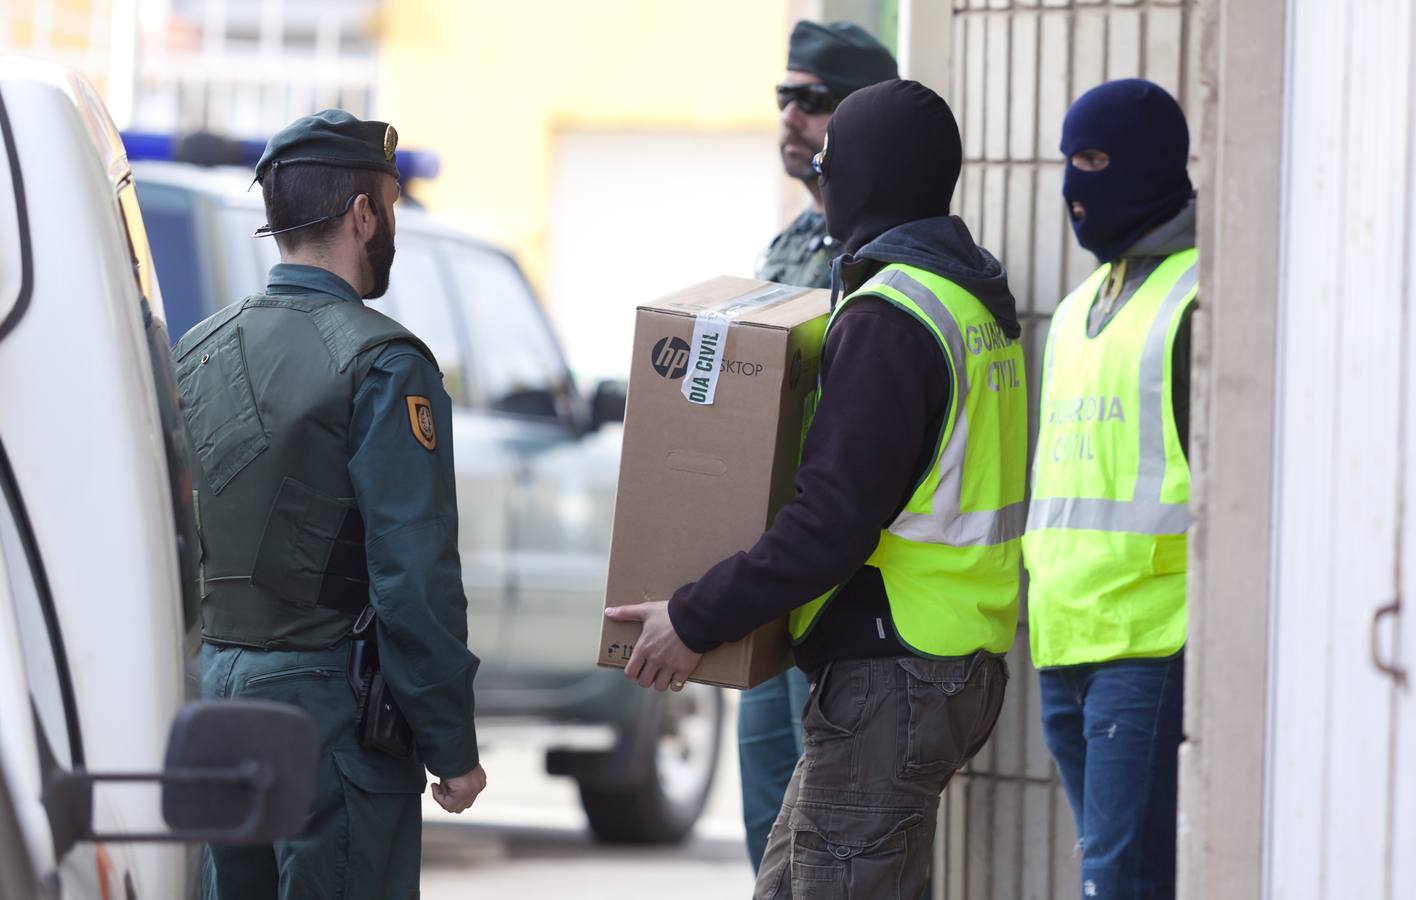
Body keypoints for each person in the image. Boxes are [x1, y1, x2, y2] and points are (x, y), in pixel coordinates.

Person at [607, 79, 1027, 898]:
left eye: (833, 164)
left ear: (865, 178)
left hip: (897, 669)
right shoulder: (967, 297)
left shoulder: (890, 316)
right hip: (944, 663)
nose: (821, 178)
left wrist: (694, 615)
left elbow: (830, 523)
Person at [172, 110, 485, 900]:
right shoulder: (382, 361)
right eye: (391, 207)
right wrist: (451, 742)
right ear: (361, 213)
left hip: (218, 701)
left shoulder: (196, 350)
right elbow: (414, 576)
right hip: (327, 724)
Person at [1021, 78, 1197, 900]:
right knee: (1116, 875)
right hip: (1064, 641)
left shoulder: (1198, 298)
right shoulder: (1076, 307)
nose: (1073, 187)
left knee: (1120, 881)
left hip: (1146, 643)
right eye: (1067, 162)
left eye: (1092, 160)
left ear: (1150, 166)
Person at [736, 18, 898, 874]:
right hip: (770, 566)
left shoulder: (887, 253)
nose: (793, 117)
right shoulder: (792, 243)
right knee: (767, 819)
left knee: (843, 836)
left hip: (845, 576)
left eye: (815, 101)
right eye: (785, 97)